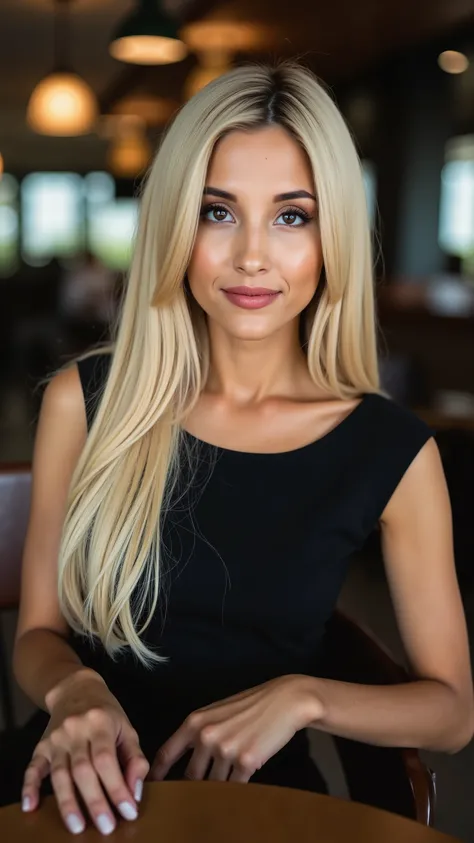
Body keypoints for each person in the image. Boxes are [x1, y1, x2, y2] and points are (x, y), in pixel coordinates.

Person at [1, 61, 473, 836]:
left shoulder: (391, 450)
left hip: (260, 802)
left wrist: (304, 695)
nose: (252, 254)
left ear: (334, 239)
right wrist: (74, 691)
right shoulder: (85, 403)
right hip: (74, 781)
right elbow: (37, 636)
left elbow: (452, 712)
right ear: (177, 227)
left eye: (292, 217)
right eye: (218, 212)